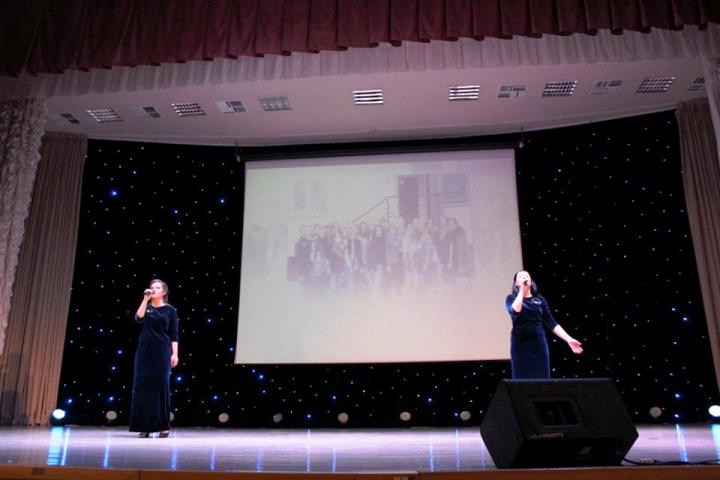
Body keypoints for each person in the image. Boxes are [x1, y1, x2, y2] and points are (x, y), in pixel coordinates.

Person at [505, 271, 582, 379]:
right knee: (521, 377)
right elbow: (515, 311)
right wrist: (522, 290)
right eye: (521, 276)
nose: (524, 277)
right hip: (520, 343)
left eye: (527, 276)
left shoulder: (539, 299)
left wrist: (568, 339)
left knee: (541, 376)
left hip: (538, 342)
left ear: (531, 281)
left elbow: (551, 322)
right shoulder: (511, 298)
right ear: (516, 283)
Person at [129, 279, 179, 438]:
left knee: (160, 386)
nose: (153, 289)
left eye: (157, 287)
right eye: (152, 287)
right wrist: (145, 299)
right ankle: (144, 426)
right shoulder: (147, 306)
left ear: (164, 292)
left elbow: (174, 334)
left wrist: (175, 354)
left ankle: (163, 425)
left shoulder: (170, 310)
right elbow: (138, 318)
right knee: (143, 386)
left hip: (162, 349)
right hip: (144, 349)